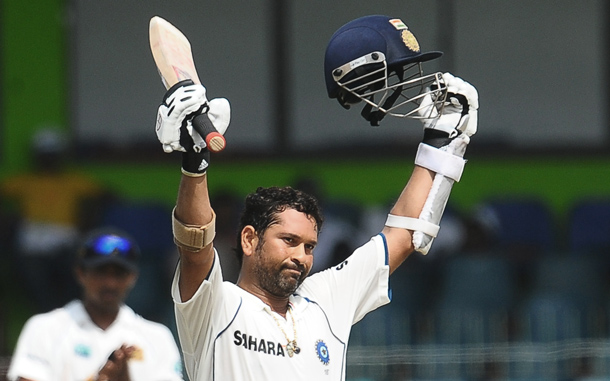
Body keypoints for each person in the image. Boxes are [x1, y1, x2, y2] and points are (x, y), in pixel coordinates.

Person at [155, 14, 478, 380]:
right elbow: (195, 244)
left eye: (309, 246)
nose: (301, 257)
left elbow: (404, 235)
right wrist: (195, 161)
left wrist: (443, 141)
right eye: (289, 241)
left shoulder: (324, 300)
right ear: (249, 239)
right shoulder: (216, 306)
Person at [7, 228, 184, 381]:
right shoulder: (45, 329)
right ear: (80, 273)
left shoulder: (157, 338)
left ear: (133, 277)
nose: (110, 283)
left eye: (119, 274)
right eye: (101, 272)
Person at [0, 128, 112, 313]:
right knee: (33, 278)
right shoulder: (25, 181)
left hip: (65, 239)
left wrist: (88, 217)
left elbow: (108, 196)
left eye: (52, 155)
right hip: (33, 241)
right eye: (44, 155)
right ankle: (48, 314)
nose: (48, 159)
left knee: (77, 275)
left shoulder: (73, 181)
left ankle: (68, 313)